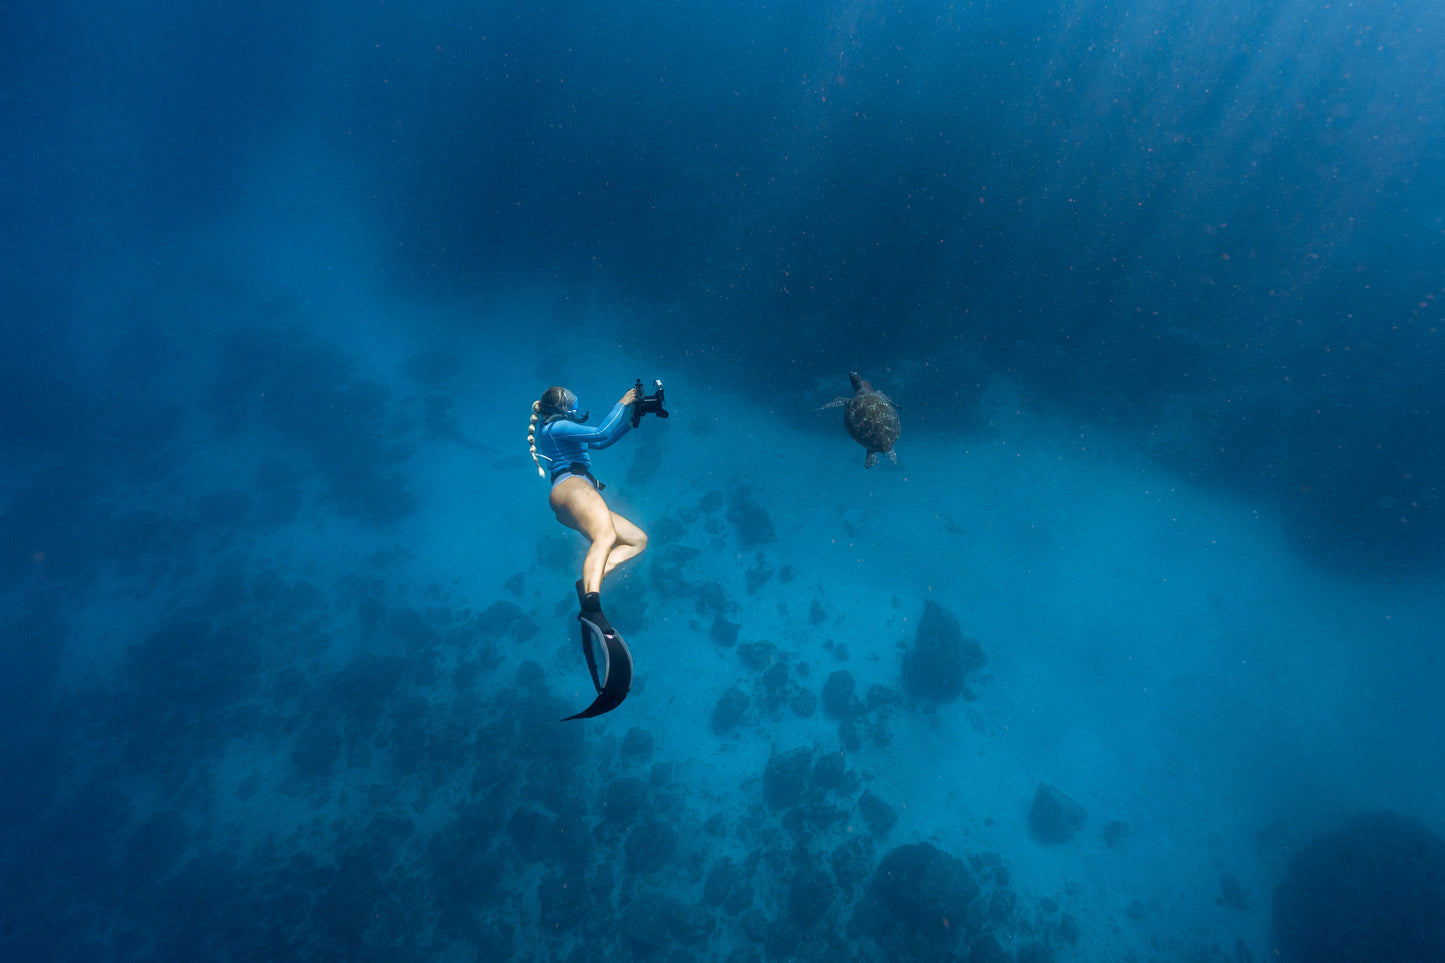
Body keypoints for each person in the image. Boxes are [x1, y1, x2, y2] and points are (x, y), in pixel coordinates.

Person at [527, 385, 648, 624]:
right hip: (572, 488)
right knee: (605, 537)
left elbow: (600, 443)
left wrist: (630, 423)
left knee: (637, 540)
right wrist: (623, 402)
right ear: (561, 407)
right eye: (569, 400)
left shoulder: (556, 429)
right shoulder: (557, 427)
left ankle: (589, 582)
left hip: (569, 496)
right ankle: (592, 606)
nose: (574, 403)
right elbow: (600, 433)